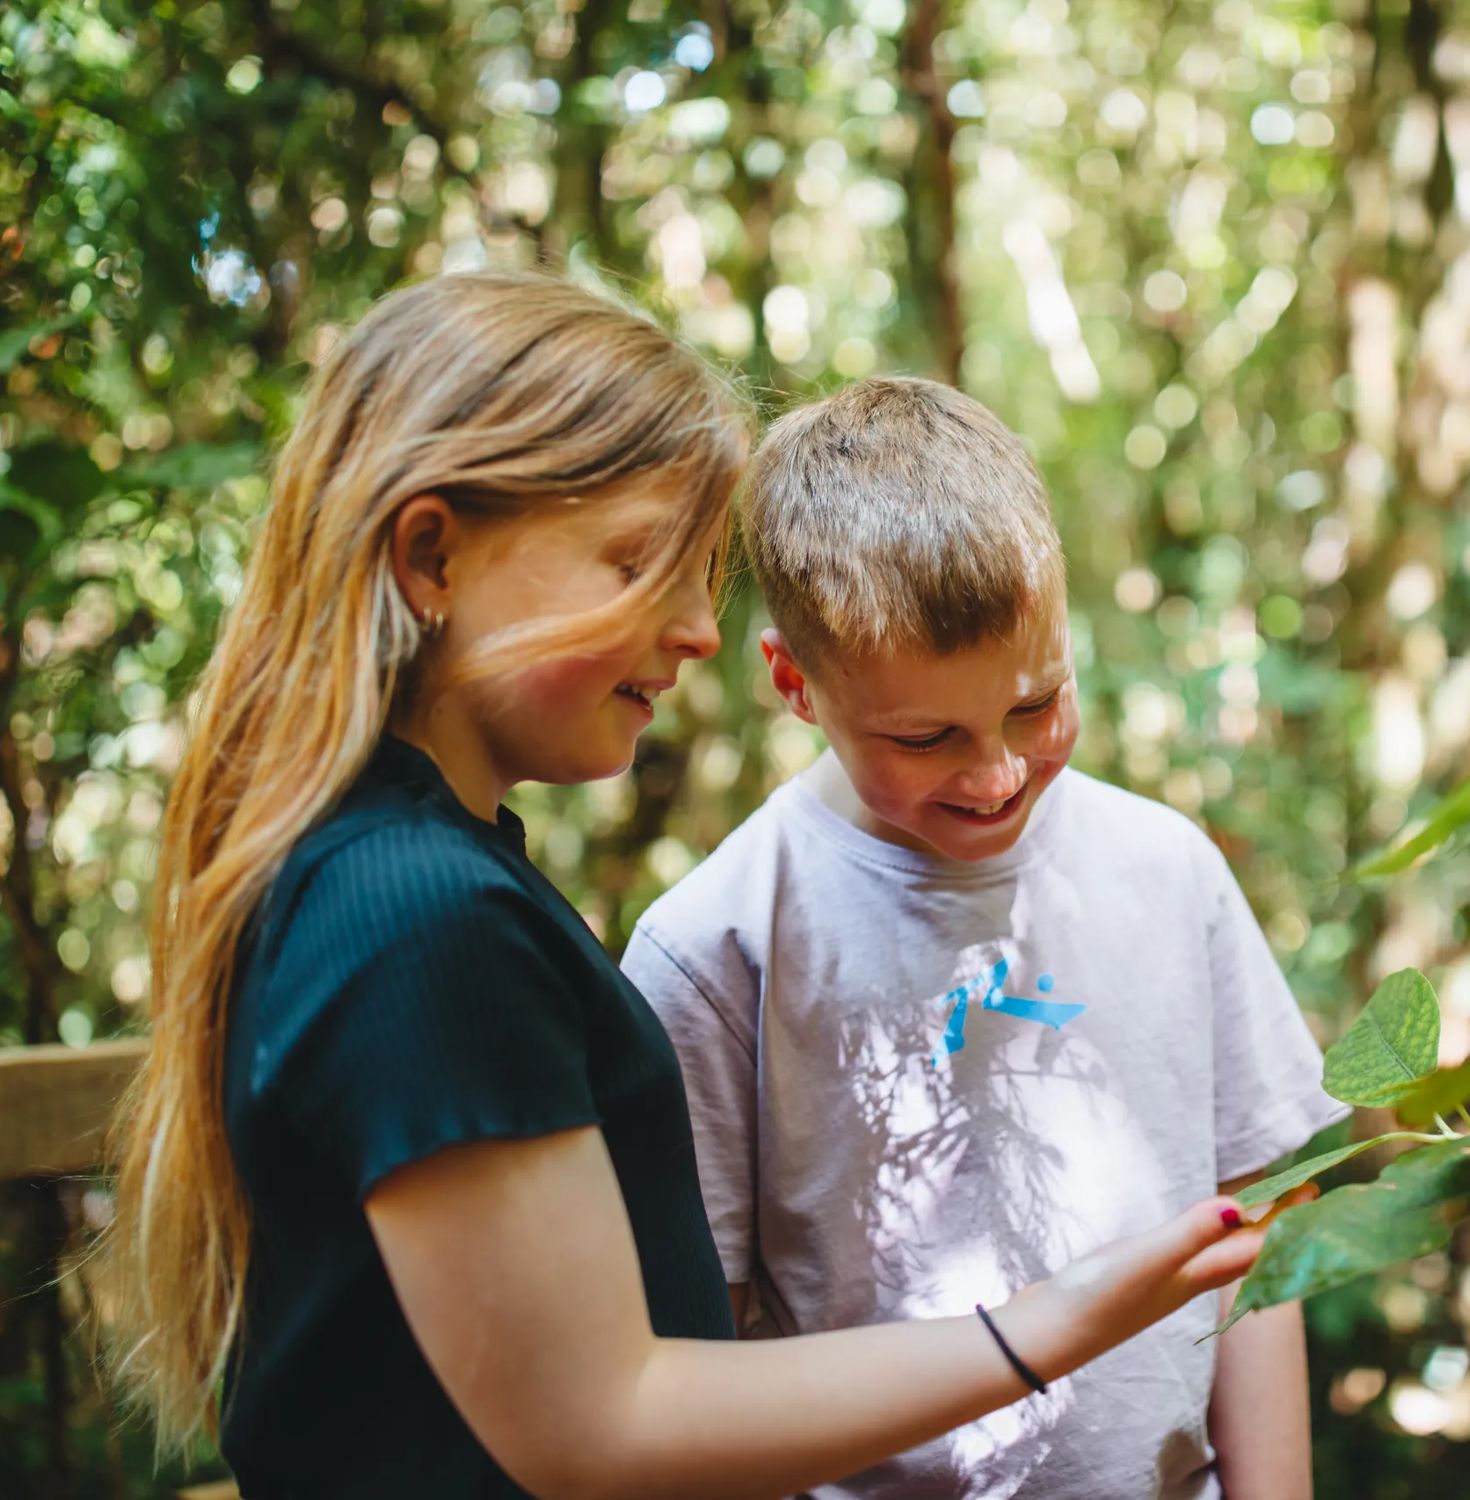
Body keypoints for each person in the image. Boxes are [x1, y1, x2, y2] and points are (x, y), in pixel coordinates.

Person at [105, 277, 1287, 1500]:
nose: (692, 629)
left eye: (700, 573)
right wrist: (1043, 1328)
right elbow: (596, 1422)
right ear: (430, 554)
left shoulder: (433, 873)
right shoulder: (414, 915)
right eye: (638, 561)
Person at [622, 376, 1345, 1500]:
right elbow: (693, 1359)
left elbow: (1257, 1230)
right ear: (794, 684)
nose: (998, 772)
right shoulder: (716, 947)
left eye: (1034, 702)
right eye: (925, 736)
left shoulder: (1167, 869)